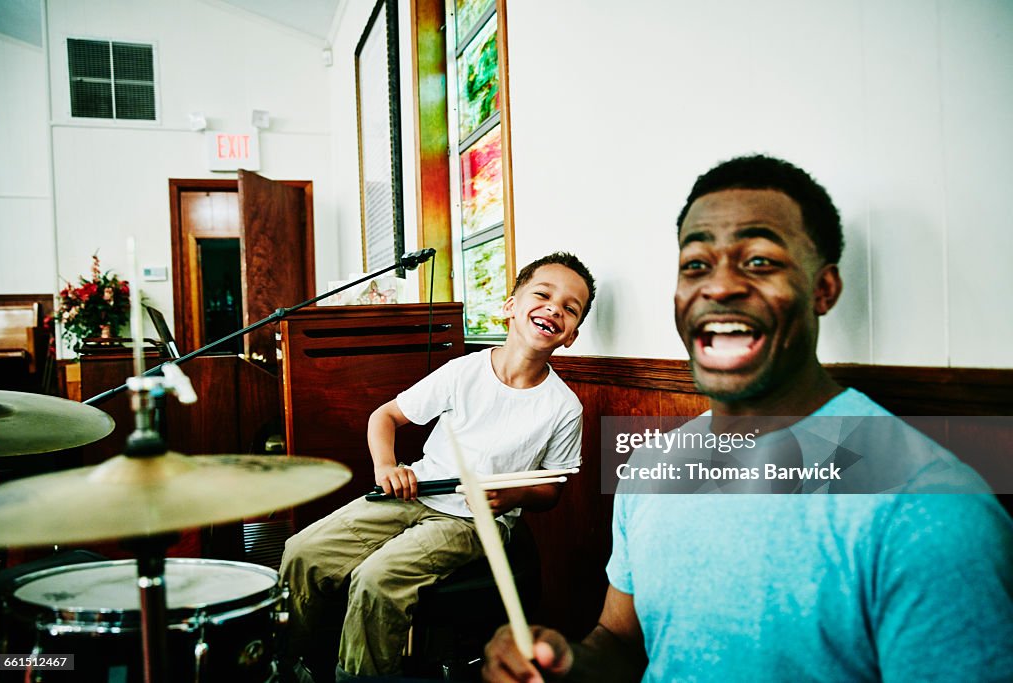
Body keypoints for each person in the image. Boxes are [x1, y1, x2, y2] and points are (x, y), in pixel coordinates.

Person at [483, 155, 1013, 682]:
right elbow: (622, 642)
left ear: (823, 290)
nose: (718, 287)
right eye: (696, 265)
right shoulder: (651, 468)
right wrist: (568, 665)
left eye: (759, 261)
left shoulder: (931, 509)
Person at [280, 252, 596, 680]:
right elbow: (384, 417)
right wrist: (386, 468)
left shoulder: (563, 407)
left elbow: (551, 490)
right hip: (419, 491)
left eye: (569, 308)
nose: (554, 308)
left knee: (377, 578)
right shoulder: (462, 372)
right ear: (510, 307)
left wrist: (513, 495)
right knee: (302, 551)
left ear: (571, 335)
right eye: (543, 294)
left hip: (475, 521)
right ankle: (294, 663)